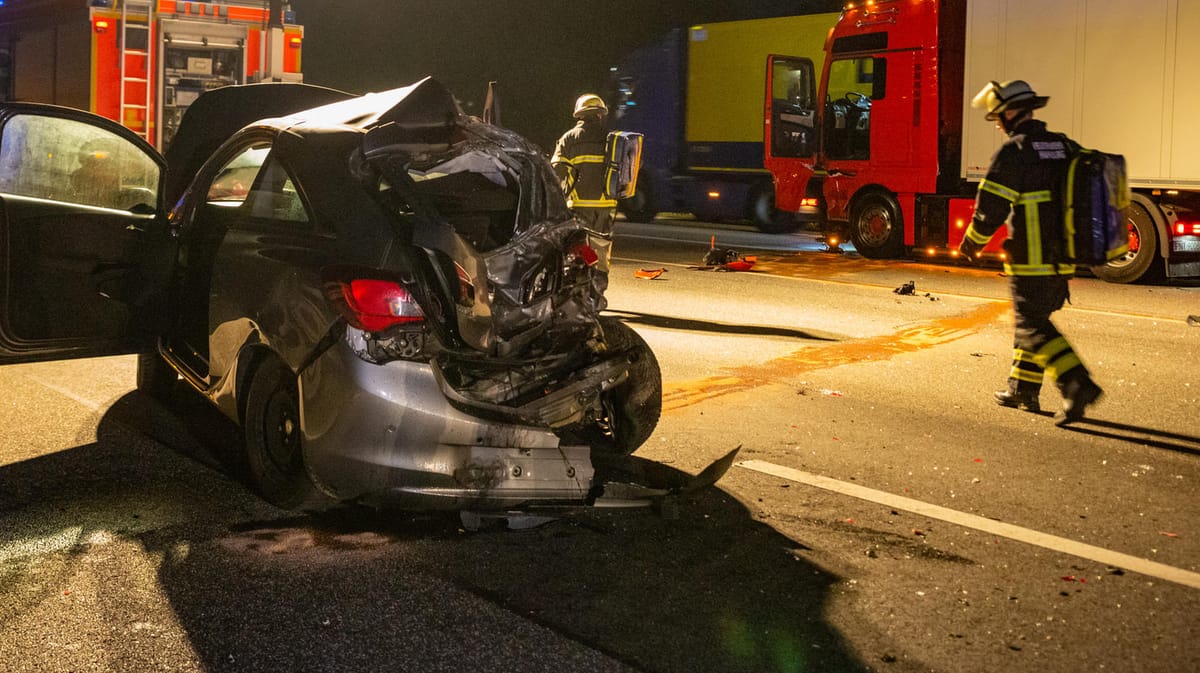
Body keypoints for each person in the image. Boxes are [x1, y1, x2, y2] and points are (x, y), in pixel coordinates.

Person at [958, 79, 1103, 426]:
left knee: (1032, 324)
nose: (997, 124)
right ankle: (1022, 388)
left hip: (1031, 258)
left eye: (998, 118)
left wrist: (972, 243)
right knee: (1032, 322)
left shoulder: (1016, 151)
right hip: (1063, 260)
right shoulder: (1064, 145)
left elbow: (990, 208)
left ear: (1011, 112)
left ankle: (1076, 383)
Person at [551, 94, 617, 280]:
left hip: (579, 204)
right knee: (602, 244)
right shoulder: (612, 139)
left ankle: (585, 274)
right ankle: (600, 280)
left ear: (579, 115)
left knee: (580, 245)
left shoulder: (568, 139)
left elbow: (557, 173)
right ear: (600, 115)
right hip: (606, 204)